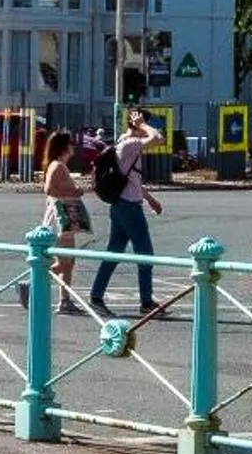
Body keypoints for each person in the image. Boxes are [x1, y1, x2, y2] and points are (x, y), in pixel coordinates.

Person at [88, 106, 166, 315]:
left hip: (120, 205)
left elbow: (132, 178)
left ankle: (96, 296)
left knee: (114, 252)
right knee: (146, 255)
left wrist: (150, 199)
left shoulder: (122, 140)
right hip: (130, 208)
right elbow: (159, 139)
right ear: (138, 126)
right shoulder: (131, 143)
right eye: (143, 125)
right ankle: (146, 303)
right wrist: (143, 125)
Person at [33, 129, 87, 313]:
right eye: (71, 143)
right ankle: (35, 282)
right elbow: (50, 190)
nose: (73, 147)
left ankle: (65, 300)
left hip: (64, 219)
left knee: (68, 262)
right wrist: (75, 192)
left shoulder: (59, 166)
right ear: (64, 147)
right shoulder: (57, 166)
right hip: (60, 219)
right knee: (65, 261)